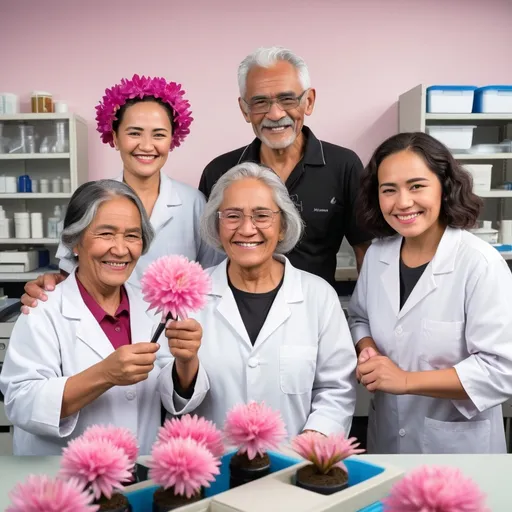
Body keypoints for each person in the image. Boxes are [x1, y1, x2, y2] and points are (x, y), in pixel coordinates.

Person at [0, 180, 202, 455]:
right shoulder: (42, 309)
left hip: (137, 475)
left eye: (132, 236)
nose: (120, 249)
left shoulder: (151, 306)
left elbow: (171, 395)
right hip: (64, 482)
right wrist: (104, 374)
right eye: (106, 234)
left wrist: (187, 360)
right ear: (74, 242)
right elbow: (21, 403)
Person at [163, 162, 357, 438]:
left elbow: (338, 389)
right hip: (214, 467)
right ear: (217, 226)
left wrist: (312, 442)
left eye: (262, 215)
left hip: (294, 465)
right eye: (232, 216)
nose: (246, 228)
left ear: (282, 226)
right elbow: (171, 398)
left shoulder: (318, 295)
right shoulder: (186, 294)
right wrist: (185, 364)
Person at [348, 132, 512, 454]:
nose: (403, 202)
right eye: (389, 190)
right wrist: (367, 347)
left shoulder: (479, 264)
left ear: (445, 187)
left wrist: (406, 381)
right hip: (388, 439)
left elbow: (501, 370)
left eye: (416, 186)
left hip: (458, 446)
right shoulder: (378, 256)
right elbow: (359, 316)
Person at [21, 74, 223, 311]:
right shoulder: (91, 200)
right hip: (104, 329)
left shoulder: (194, 203)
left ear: (172, 139)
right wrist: (49, 285)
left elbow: (212, 278)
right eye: (134, 133)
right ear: (115, 137)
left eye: (158, 134)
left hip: (173, 334)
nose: (147, 146)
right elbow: (69, 276)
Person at [199, 47, 371, 288]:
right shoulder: (220, 171)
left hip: (316, 314)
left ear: (308, 102)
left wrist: (362, 318)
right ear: (244, 109)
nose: (275, 113)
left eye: (287, 99)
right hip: (235, 315)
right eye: (260, 102)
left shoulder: (343, 166)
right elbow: (208, 257)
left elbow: (365, 250)